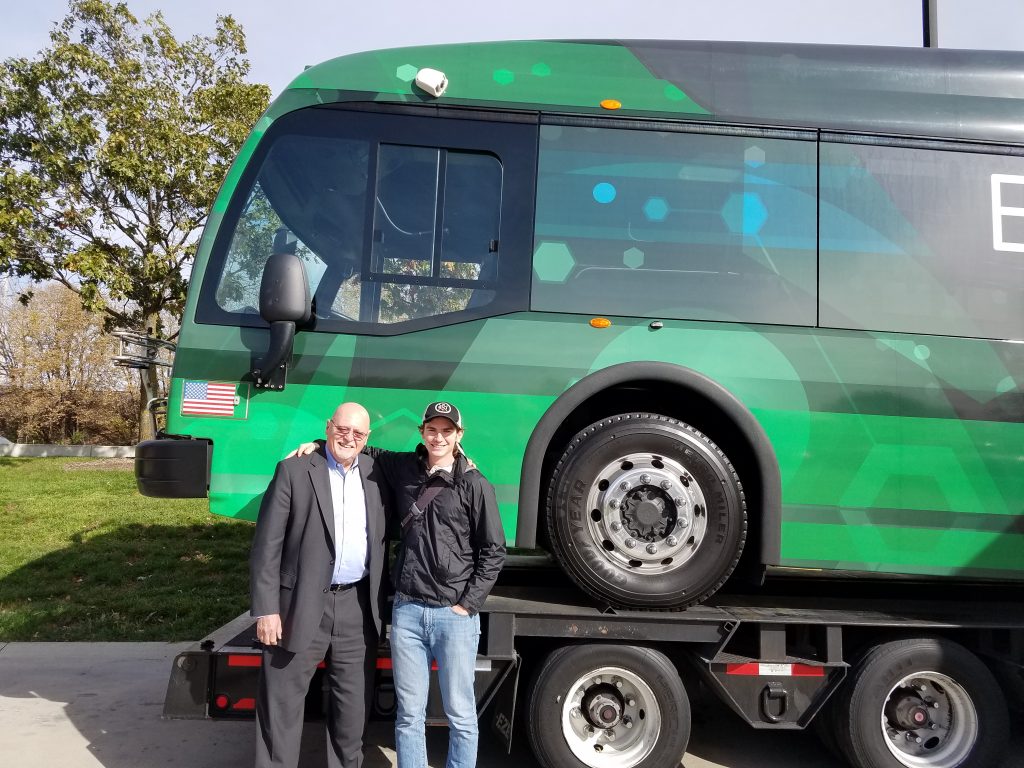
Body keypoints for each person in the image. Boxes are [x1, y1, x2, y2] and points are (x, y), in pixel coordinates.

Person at [294, 401, 506, 768]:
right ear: (422, 431)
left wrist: (467, 604)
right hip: (407, 612)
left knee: (461, 714)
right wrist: (318, 441)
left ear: (459, 436)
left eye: (447, 431)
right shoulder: (403, 467)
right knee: (409, 715)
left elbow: (493, 550)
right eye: (432, 429)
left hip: (453, 616)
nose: (438, 437)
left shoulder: (474, 484)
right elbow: (363, 448)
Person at [250, 402, 391, 768]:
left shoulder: (377, 474)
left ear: (367, 439)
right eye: (342, 429)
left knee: (352, 715)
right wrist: (267, 609)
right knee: (280, 710)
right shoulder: (294, 470)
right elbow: (267, 546)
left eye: (358, 433)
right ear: (329, 427)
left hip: (357, 608)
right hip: (296, 606)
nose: (349, 438)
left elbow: (426, 457)